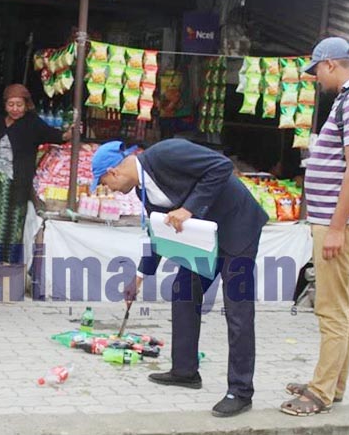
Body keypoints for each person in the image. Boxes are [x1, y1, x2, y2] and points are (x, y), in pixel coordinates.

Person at [90, 138, 267, 418]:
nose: (108, 190)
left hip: (237, 228)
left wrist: (189, 209)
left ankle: (240, 391)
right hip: (205, 237)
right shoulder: (142, 191)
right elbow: (157, 233)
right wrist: (139, 277)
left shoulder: (165, 153)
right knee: (183, 289)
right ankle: (185, 371)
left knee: (238, 309)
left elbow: (222, 166)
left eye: (104, 183)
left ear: (113, 172)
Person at [281, 38, 349, 416]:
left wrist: (338, 226)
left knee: (330, 309)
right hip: (336, 220)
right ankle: (333, 385)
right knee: (341, 307)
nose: (315, 80)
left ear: (330, 65)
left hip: (337, 222)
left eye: (316, 72)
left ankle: (320, 393)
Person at [0, 84, 72, 263]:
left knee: (8, 223)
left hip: (15, 182)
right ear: (5, 105)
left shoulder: (32, 123)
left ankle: (3, 264)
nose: (15, 109)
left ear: (26, 105)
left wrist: (71, 133)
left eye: (19, 105)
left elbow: (56, 136)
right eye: (11, 105)